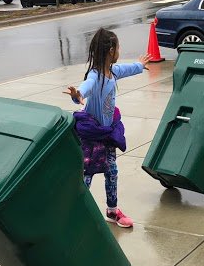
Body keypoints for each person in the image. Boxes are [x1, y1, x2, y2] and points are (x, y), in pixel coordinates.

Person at [65, 28, 151, 228]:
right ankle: (74, 212)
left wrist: (140, 65)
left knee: (111, 171)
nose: (120, 50)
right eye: (119, 47)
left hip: (107, 133)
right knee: (86, 173)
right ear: (112, 50)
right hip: (91, 135)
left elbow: (128, 69)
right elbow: (86, 85)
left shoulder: (112, 72)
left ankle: (112, 211)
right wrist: (77, 94)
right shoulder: (95, 75)